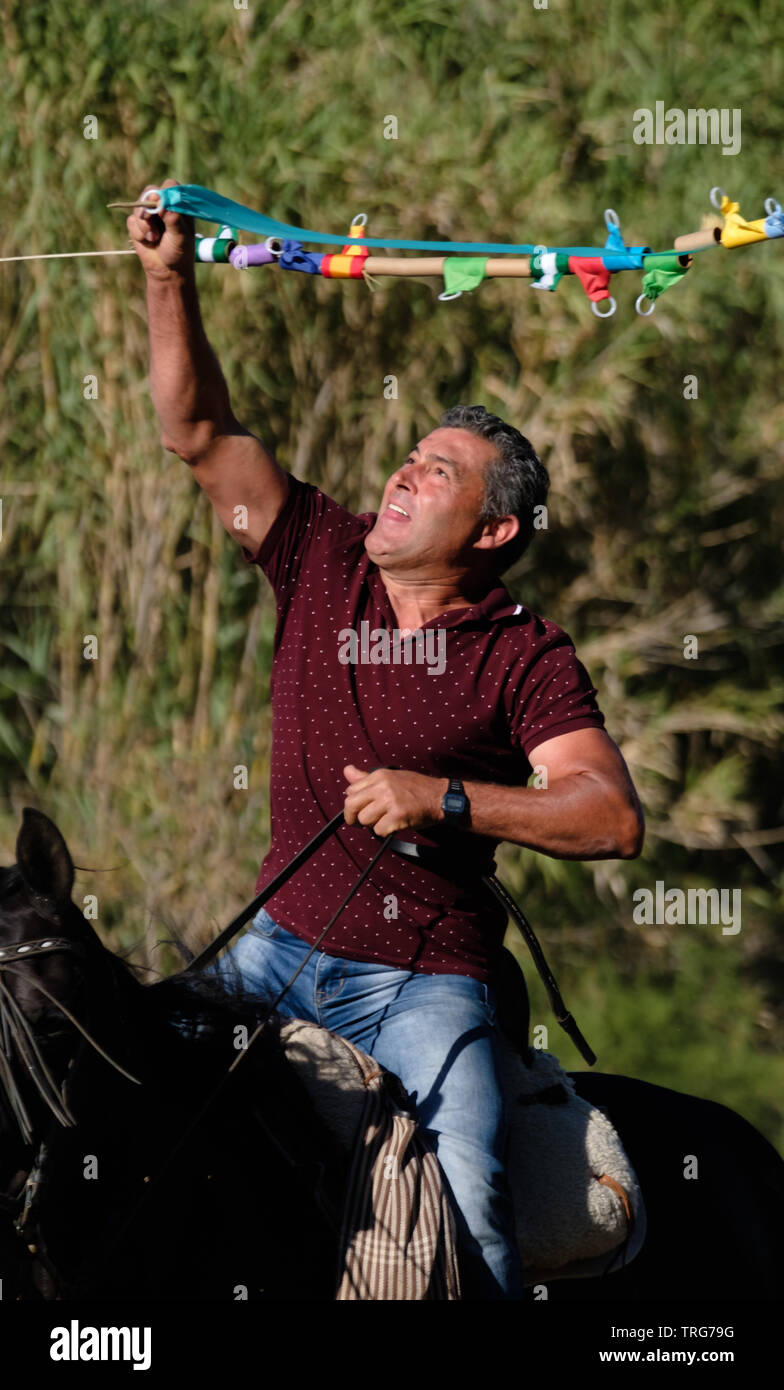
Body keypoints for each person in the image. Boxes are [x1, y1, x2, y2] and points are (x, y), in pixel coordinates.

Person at [127, 181, 645, 1300]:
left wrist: (443, 799)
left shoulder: (527, 656)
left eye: (440, 470)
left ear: (494, 530)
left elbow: (608, 818)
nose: (406, 471)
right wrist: (168, 276)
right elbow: (196, 430)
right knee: (117, 1109)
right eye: (413, 455)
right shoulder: (324, 550)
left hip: (422, 985)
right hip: (270, 946)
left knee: (467, 1216)